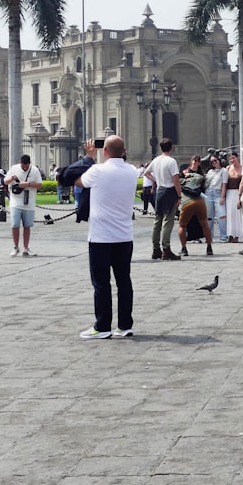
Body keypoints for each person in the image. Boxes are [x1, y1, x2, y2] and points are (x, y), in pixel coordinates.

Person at [74, 136, 139, 339]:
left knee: (101, 283)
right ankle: (125, 325)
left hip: (101, 237)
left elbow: (78, 182)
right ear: (124, 151)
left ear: (105, 151)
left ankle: (102, 327)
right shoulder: (132, 171)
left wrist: (89, 158)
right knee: (124, 281)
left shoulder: (98, 170)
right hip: (124, 236)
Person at [145, 138, 182, 260]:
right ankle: (166, 249)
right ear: (171, 148)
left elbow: (146, 173)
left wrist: (156, 180)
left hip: (160, 191)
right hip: (169, 191)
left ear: (160, 148)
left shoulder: (156, 160)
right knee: (168, 221)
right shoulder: (171, 161)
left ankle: (156, 249)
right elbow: (175, 179)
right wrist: (179, 195)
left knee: (157, 221)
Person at [5, 154, 43, 256]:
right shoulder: (14, 169)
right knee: (15, 225)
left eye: (27, 166)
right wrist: (12, 178)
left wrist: (28, 184)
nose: (25, 168)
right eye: (23, 166)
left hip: (29, 202)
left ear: (29, 163)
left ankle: (26, 248)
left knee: (27, 226)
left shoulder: (34, 170)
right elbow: (5, 181)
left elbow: (39, 184)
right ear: (20, 163)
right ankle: (15, 247)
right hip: (15, 202)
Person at [177, 155, 215, 256]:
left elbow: (177, 183)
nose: (196, 163)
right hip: (199, 200)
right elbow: (204, 184)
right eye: (195, 161)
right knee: (204, 224)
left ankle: (184, 248)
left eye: (198, 161)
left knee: (182, 225)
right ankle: (209, 247)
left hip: (187, 201)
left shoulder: (187, 173)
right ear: (191, 161)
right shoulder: (199, 175)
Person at [204, 153, 228, 244]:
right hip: (209, 193)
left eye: (215, 160)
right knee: (209, 217)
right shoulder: (210, 171)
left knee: (222, 215)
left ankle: (223, 236)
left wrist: (222, 196)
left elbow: (224, 184)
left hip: (218, 193)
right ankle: (209, 236)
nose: (214, 163)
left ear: (219, 161)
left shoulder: (224, 171)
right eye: (212, 162)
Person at [223, 152, 243, 244]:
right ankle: (230, 234)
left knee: (237, 214)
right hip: (229, 192)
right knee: (230, 214)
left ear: (237, 158)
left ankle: (237, 235)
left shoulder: (242, 168)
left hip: (238, 192)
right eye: (230, 159)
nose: (232, 160)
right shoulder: (227, 168)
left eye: (233, 158)